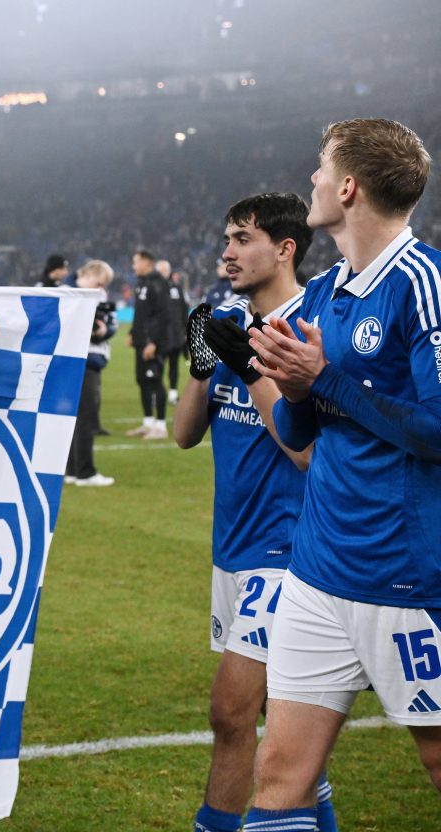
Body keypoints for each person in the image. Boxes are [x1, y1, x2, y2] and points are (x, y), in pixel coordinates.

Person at [245, 118, 441, 829]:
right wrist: (297, 389)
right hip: (317, 572)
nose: (314, 181)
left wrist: (328, 380)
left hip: (405, 575)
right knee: (280, 777)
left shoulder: (423, 284)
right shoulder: (325, 292)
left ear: (350, 186)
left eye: (322, 168)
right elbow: (300, 431)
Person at [173, 192, 339, 832]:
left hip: (291, 551)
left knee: (232, 712)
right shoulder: (227, 321)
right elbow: (186, 434)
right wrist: (200, 363)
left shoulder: (309, 332)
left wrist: (249, 367)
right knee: (291, 744)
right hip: (234, 550)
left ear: (285, 248)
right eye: (226, 238)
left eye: (243, 238)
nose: (227, 251)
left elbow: (305, 452)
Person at [65, 260, 117, 486]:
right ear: (89, 275)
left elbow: (111, 323)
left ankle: (72, 470)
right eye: (99, 283)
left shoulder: (93, 296)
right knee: (84, 418)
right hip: (80, 360)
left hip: (84, 360)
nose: (101, 290)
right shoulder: (67, 295)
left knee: (75, 419)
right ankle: (85, 472)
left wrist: (104, 330)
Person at [127, 249, 171, 439]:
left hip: (153, 344)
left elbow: (163, 316)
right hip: (140, 342)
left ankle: (161, 427)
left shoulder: (158, 284)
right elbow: (141, 314)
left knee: (155, 381)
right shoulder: (141, 284)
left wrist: (153, 342)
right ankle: (148, 423)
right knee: (142, 380)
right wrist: (132, 332)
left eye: (135, 262)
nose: (133, 266)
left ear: (146, 263)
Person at [157, 259, 190, 404]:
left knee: (173, 365)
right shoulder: (154, 288)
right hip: (159, 336)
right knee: (158, 365)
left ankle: (172, 394)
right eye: (161, 270)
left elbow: (184, 311)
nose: (164, 272)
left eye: (166, 270)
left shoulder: (176, 288)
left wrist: (185, 331)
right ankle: (156, 394)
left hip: (176, 335)